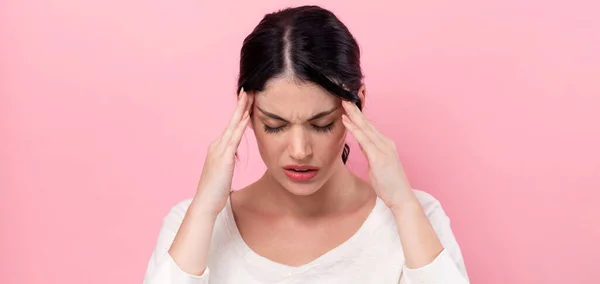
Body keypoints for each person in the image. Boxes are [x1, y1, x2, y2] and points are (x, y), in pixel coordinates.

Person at [143, 5, 469, 284]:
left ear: (357, 105)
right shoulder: (192, 224)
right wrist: (204, 211)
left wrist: (402, 204)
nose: (300, 150)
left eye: (321, 124)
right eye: (275, 125)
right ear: (246, 110)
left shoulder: (417, 217)